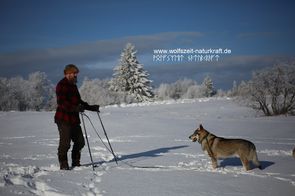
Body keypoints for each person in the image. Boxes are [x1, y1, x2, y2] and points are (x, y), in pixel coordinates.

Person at [54, 64, 99, 170]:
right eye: (74, 73)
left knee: (80, 142)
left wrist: (91, 107)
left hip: (74, 119)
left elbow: (78, 101)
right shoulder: (61, 85)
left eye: (76, 73)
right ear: (67, 74)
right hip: (63, 119)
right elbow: (61, 102)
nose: (75, 75)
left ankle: (75, 162)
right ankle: (63, 164)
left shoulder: (73, 85)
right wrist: (75, 108)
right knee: (65, 143)